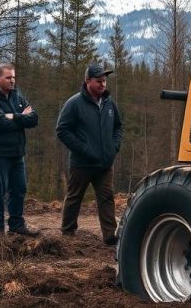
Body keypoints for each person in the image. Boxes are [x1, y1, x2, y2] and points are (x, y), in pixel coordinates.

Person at [56, 63, 124, 245]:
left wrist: (114, 146)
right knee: (74, 197)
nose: (103, 84)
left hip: (104, 164)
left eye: (105, 81)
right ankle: (68, 233)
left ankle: (110, 236)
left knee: (106, 198)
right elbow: (62, 130)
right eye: (99, 81)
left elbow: (118, 127)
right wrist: (83, 149)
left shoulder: (109, 104)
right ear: (88, 82)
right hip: (82, 164)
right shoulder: (74, 104)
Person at [0, 62, 39, 235]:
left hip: (17, 153)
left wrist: (13, 116)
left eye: (13, 77)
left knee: (19, 189)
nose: (12, 81)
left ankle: (17, 226)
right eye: (8, 77)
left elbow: (34, 119)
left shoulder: (17, 97)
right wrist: (22, 119)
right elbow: (1, 123)